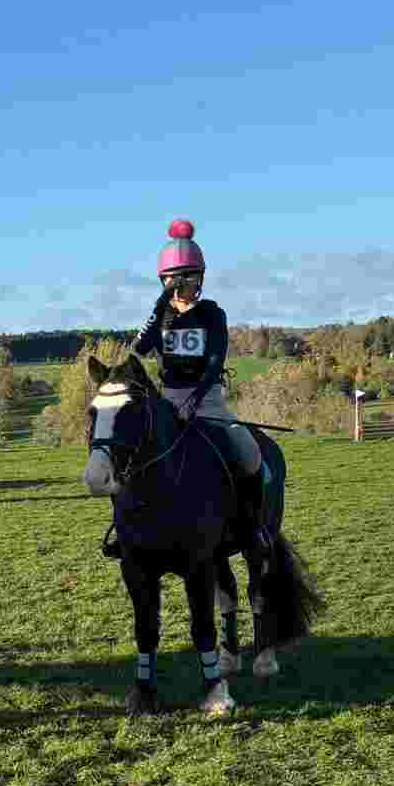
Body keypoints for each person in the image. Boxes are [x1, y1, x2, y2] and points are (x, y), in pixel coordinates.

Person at [101, 219, 269, 560]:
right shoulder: (161, 316)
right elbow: (140, 348)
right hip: (167, 400)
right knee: (130, 454)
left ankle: (253, 527)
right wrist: (159, 306)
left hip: (207, 399)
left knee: (249, 452)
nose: (181, 285)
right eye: (172, 279)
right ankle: (123, 529)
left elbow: (215, 362)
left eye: (188, 278)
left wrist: (194, 400)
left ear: (200, 279)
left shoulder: (212, 315)